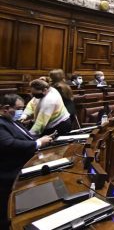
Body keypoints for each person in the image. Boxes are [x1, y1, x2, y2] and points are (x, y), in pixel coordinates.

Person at [0, 94, 54, 230]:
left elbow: (27, 136)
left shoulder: (11, 120)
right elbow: (9, 144)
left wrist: (42, 139)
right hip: (10, 171)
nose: (21, 112)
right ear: (6, 108)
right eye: (19, 109)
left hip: (26, 162)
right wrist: (37, 143)